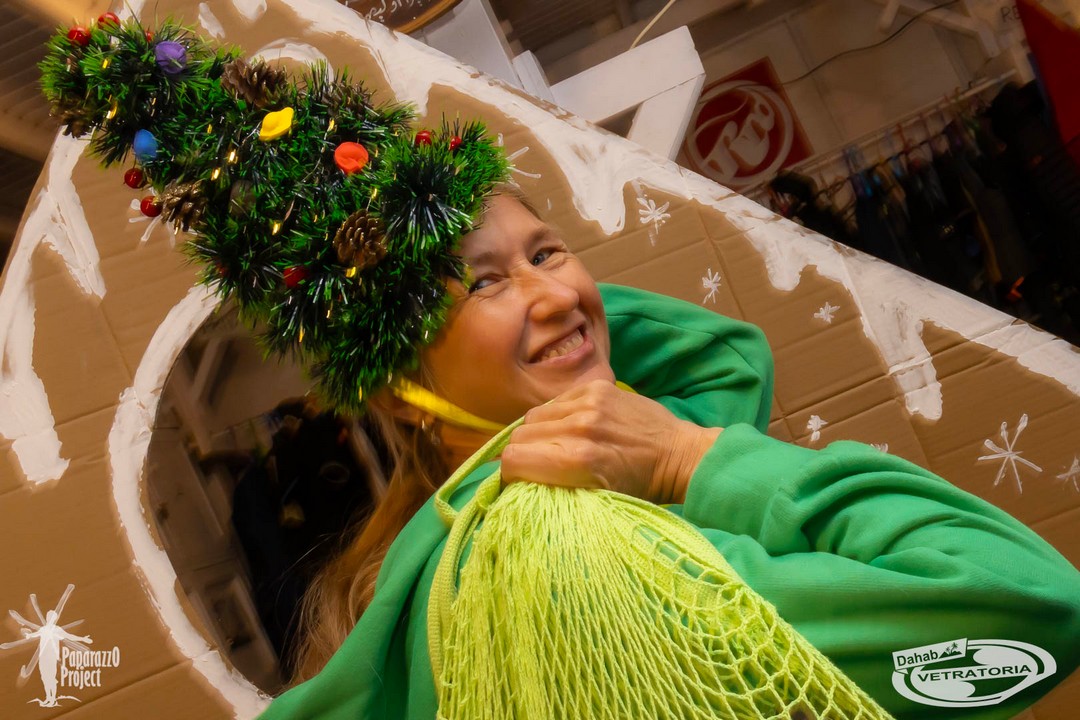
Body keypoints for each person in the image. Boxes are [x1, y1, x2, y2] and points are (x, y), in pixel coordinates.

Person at [264, 191, 1080, 720]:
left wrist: (546, 332)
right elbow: (1030, 606)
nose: (559, 293)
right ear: (402, 391)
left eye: (546, 253)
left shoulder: (437, 565)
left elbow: (719, 362)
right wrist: (692, 458)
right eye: (480, 283)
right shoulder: (579, 552)